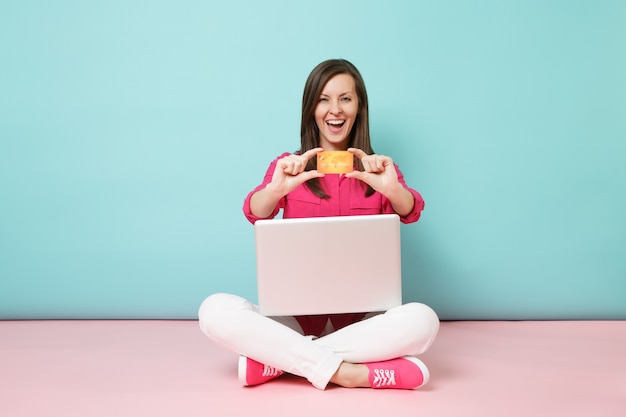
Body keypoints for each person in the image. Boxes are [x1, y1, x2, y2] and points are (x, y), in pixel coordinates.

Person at [198, 59, 439, 390]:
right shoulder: (289, 166)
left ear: (359, 107)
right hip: (294, 318)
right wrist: (275, 191)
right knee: (214, 310)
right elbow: (255, 211)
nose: (334, 109)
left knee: (423, 321)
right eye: (323, 99)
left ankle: (282, 362)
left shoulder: (380, 170)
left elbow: (411, 210)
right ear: (311, 108)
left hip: (364, 322)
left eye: (345, 98)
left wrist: (393, 189)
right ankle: (351, 372)